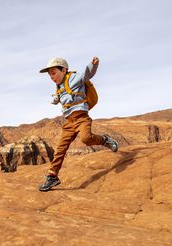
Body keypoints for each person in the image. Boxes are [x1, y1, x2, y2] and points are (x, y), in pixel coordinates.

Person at [38, 57, 119, 192]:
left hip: (81, 118)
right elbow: (60, 97)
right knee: (60, 149)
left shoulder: (74, 78)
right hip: (69, 122)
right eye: (49, 75)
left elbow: (87, 74)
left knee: (86, 139)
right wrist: (55, 100)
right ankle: (52, 176)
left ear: (63, 70)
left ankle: (105, 140)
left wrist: (92, 65)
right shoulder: (59, 86)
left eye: (53, 73)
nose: (51, 77)